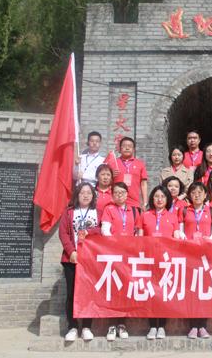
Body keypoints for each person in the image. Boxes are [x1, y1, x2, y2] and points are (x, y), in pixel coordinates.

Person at [137, 185, 181, 340]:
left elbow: (176, 238)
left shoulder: (173, 216)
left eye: (163, 196)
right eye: (156, 196)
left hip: (166, 261)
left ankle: (161, 326)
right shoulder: (145, 215)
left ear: (167, 199)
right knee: (150, 293)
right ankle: (152, 326)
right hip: (148, 260)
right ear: (152, 199)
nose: (159, 199)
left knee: (163, 294)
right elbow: (139, 238)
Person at [58, 182, 100, 342]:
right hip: (72, 259)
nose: (86, 195)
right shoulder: (69, 212)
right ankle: (73, 327)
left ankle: (87, 327)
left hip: (91, 260)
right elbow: (63, 233)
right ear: (77, 195)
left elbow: (102, 230)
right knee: (72, 294)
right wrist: (71, 251)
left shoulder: (98, 212)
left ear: (93, 196)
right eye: (82, 192)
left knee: (89, 293)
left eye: (89, 192)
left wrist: (90, 231)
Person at [179, 182, 212, 339]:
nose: (197, 195)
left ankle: (203, 325)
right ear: (189, 195)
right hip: (189, 255)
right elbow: (181, 232)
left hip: (206, 256)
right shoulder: (184, 210)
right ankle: (193, 326)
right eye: (193, 192)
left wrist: (206, 241)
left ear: (205, 195)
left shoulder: (211, 210)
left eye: (200, 192)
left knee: (204, 290)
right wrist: (188, 241)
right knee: (191, 290)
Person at [99, 182, 137, 341]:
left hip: (129, 256)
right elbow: (105, 230)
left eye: (122, 192)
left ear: (127, 194)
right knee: (113, 290)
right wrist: (117, 244)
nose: (119, 195)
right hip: (113, 255)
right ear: (112, 195)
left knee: (125, 290)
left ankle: (122, 324)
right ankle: (111, 325)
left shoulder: (134, 210)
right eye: (116, 192)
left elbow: (137, 233)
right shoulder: (109, 209)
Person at [108, 137, 148, 210]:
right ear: (120, 148)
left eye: (130, 146)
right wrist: (111, 176)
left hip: (134, 203)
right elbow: (106, 183)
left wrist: (145, 202)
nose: (127, 148)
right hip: (116, 202)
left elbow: (143, 184)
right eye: (124, 146)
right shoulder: (113, 163)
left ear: (134, 149)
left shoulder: (140, 164)